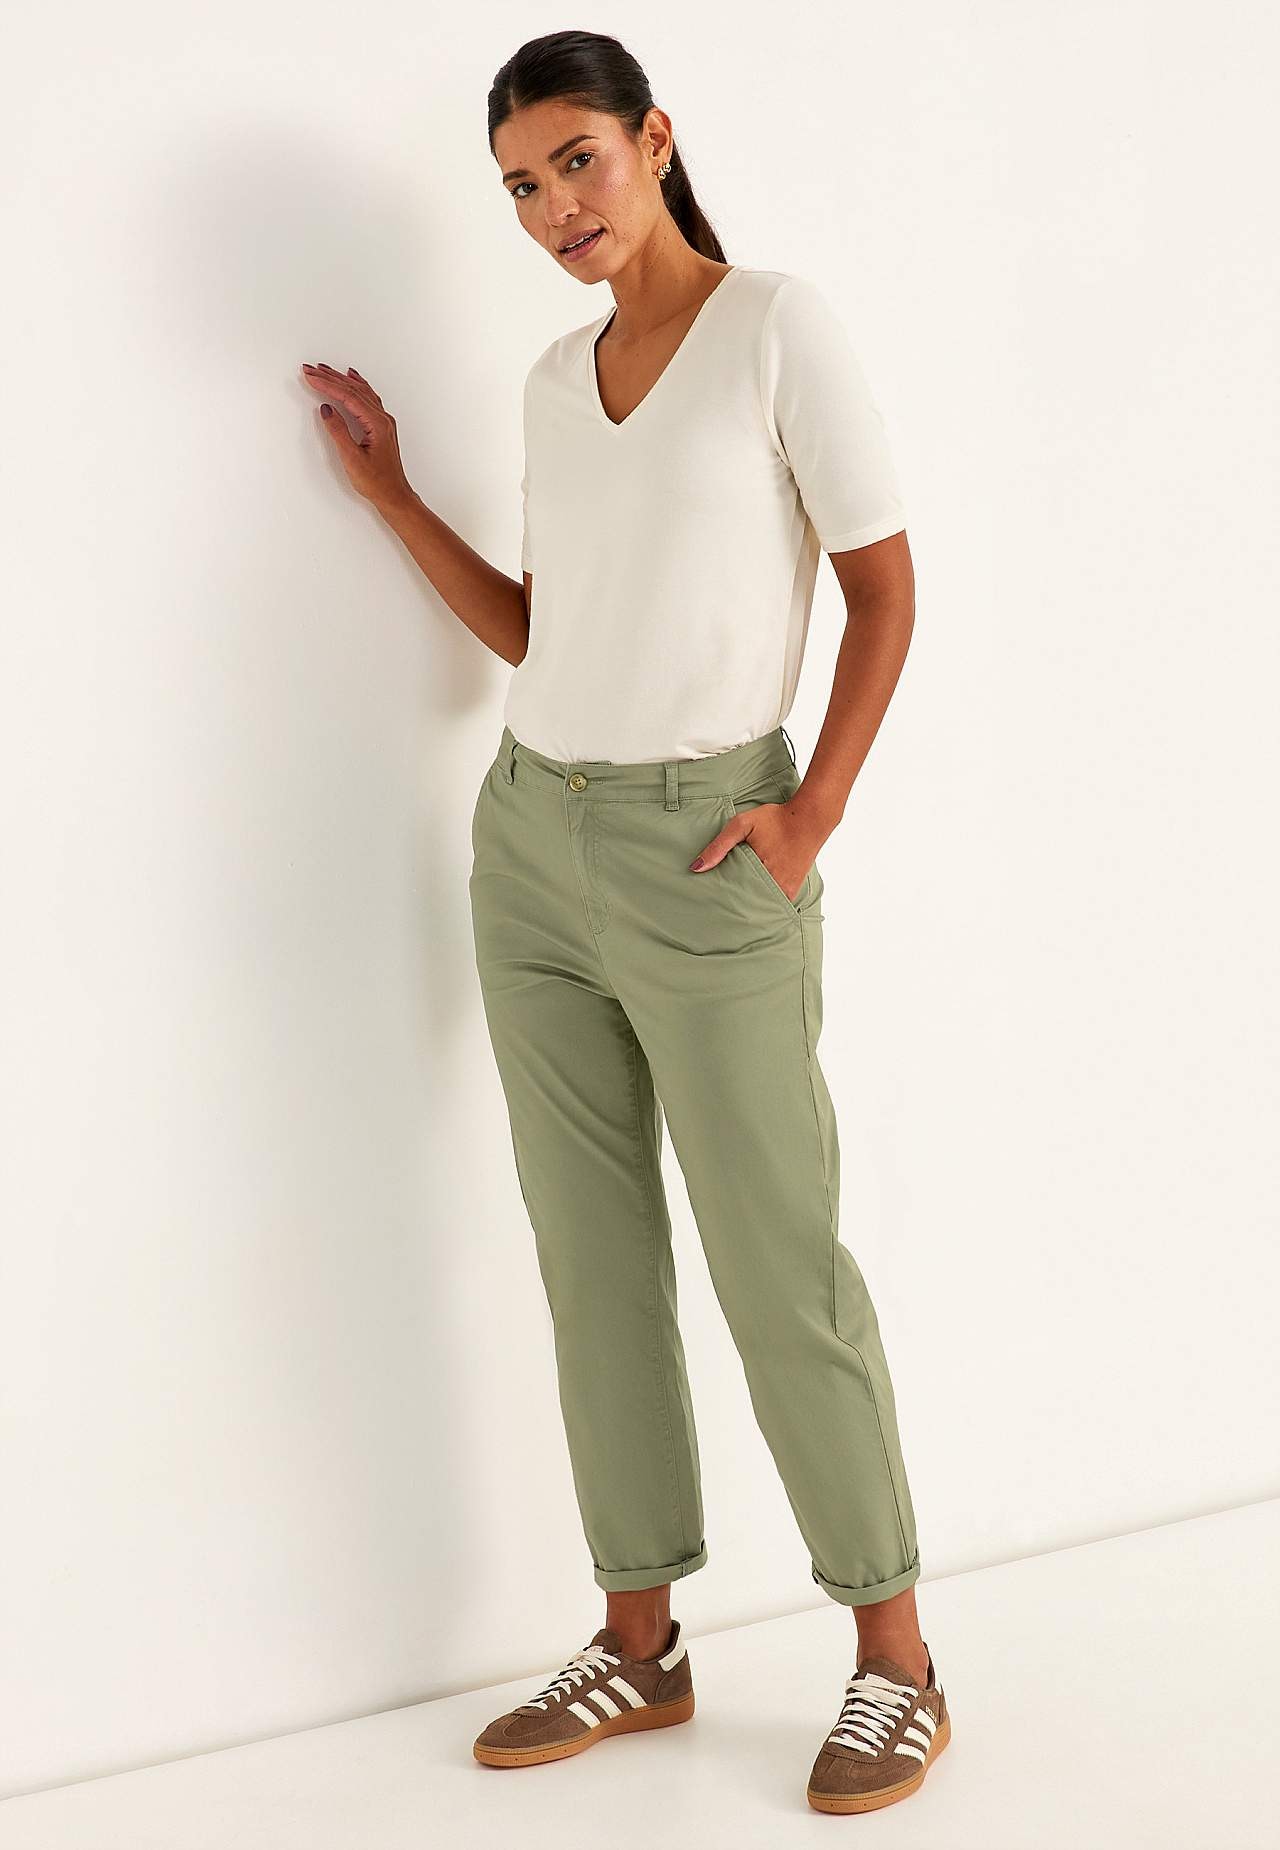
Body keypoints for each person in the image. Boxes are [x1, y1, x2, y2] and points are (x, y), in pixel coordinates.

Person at [299, 27, 950, 1819]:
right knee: (592, 1262)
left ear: (656, 141)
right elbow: (545, 628)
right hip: (533, 842)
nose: (554, 208)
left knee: (777, 1262)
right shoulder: (550, 377)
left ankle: (898, 1659)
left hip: (709, 847)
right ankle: (641, 1643)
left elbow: (887, 586)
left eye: (576, 160)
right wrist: (391, 494)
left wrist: (813, 813)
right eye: (521, 186)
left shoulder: (775, 327)